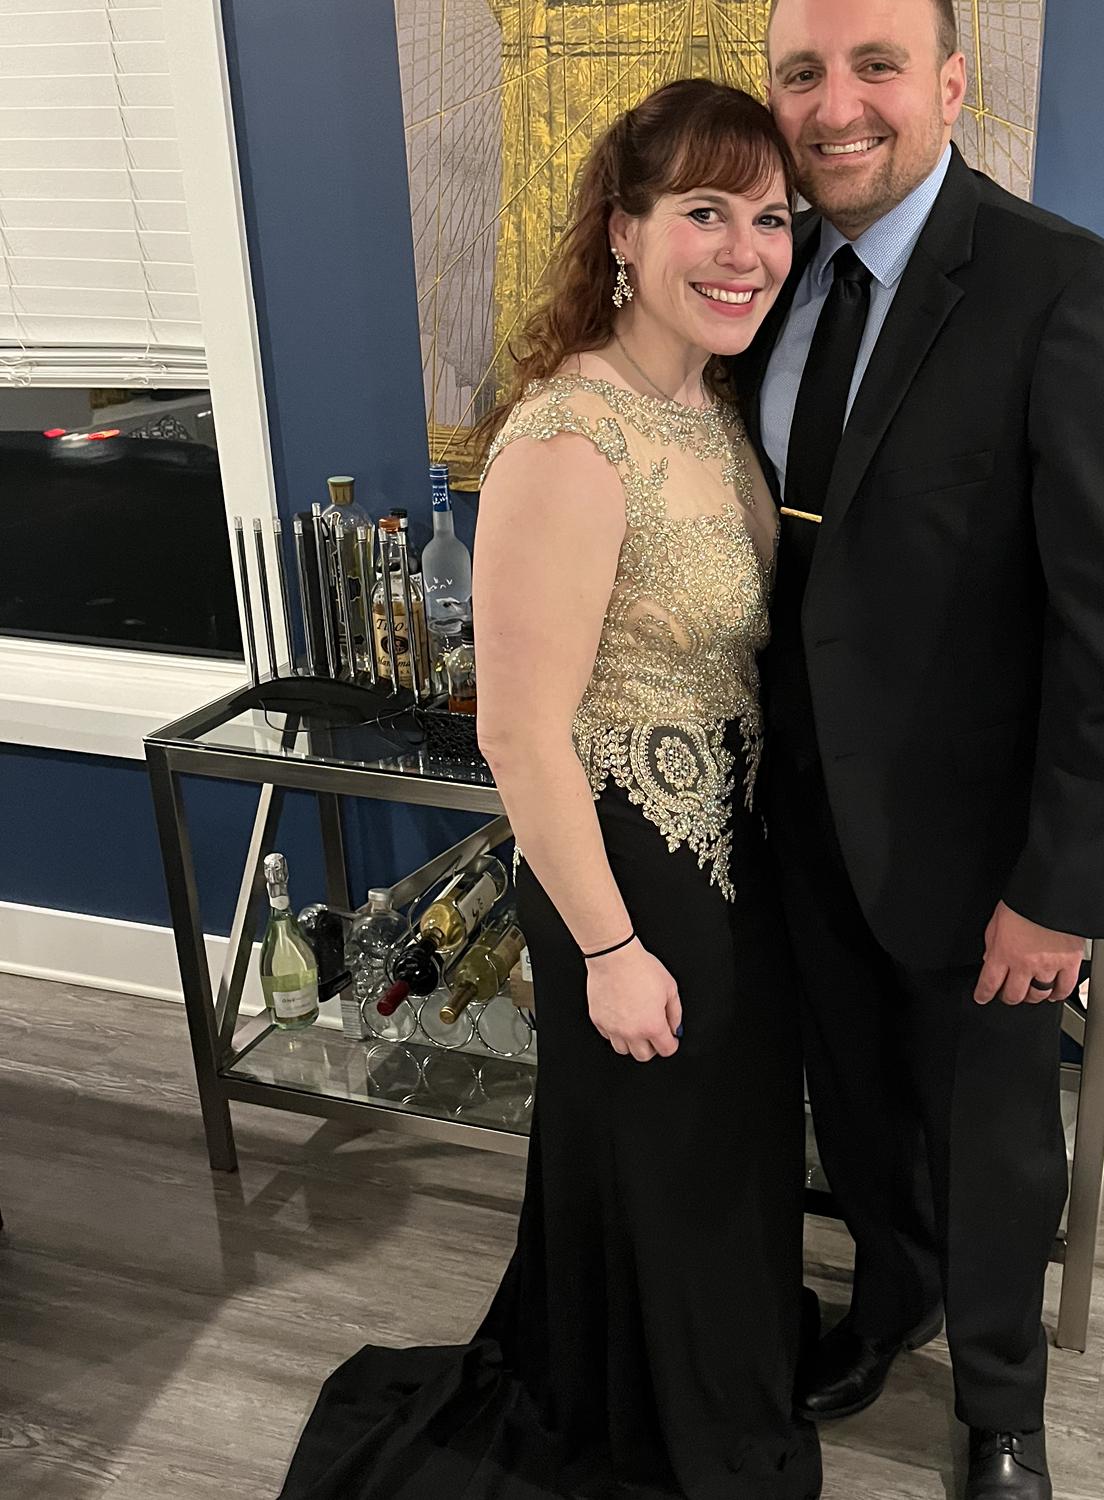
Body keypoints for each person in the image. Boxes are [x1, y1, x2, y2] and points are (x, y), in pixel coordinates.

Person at [275, 79, 821, 1500]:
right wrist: (611, 951)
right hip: (623, 861)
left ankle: (705, 1386)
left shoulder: (709, 405)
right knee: (656, 1154)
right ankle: (646, 1431)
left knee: (712, 1153)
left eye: (771, 218)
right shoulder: (570, 438)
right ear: (624, 232)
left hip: (730, 839)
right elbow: (520, 733)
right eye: (706, 212)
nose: (746, 250)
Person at [733, 2, 1104, 1497]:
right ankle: (892, 1299)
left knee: (993, 1140)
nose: (836, 105)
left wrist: (1061, 890)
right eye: (803, 73)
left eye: (876, 66)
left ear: (949, 83)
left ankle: (1003, 1406)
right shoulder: (768, 279)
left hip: (986, 842)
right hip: (797, 807)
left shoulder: (1072, 292)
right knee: (855, 1104)